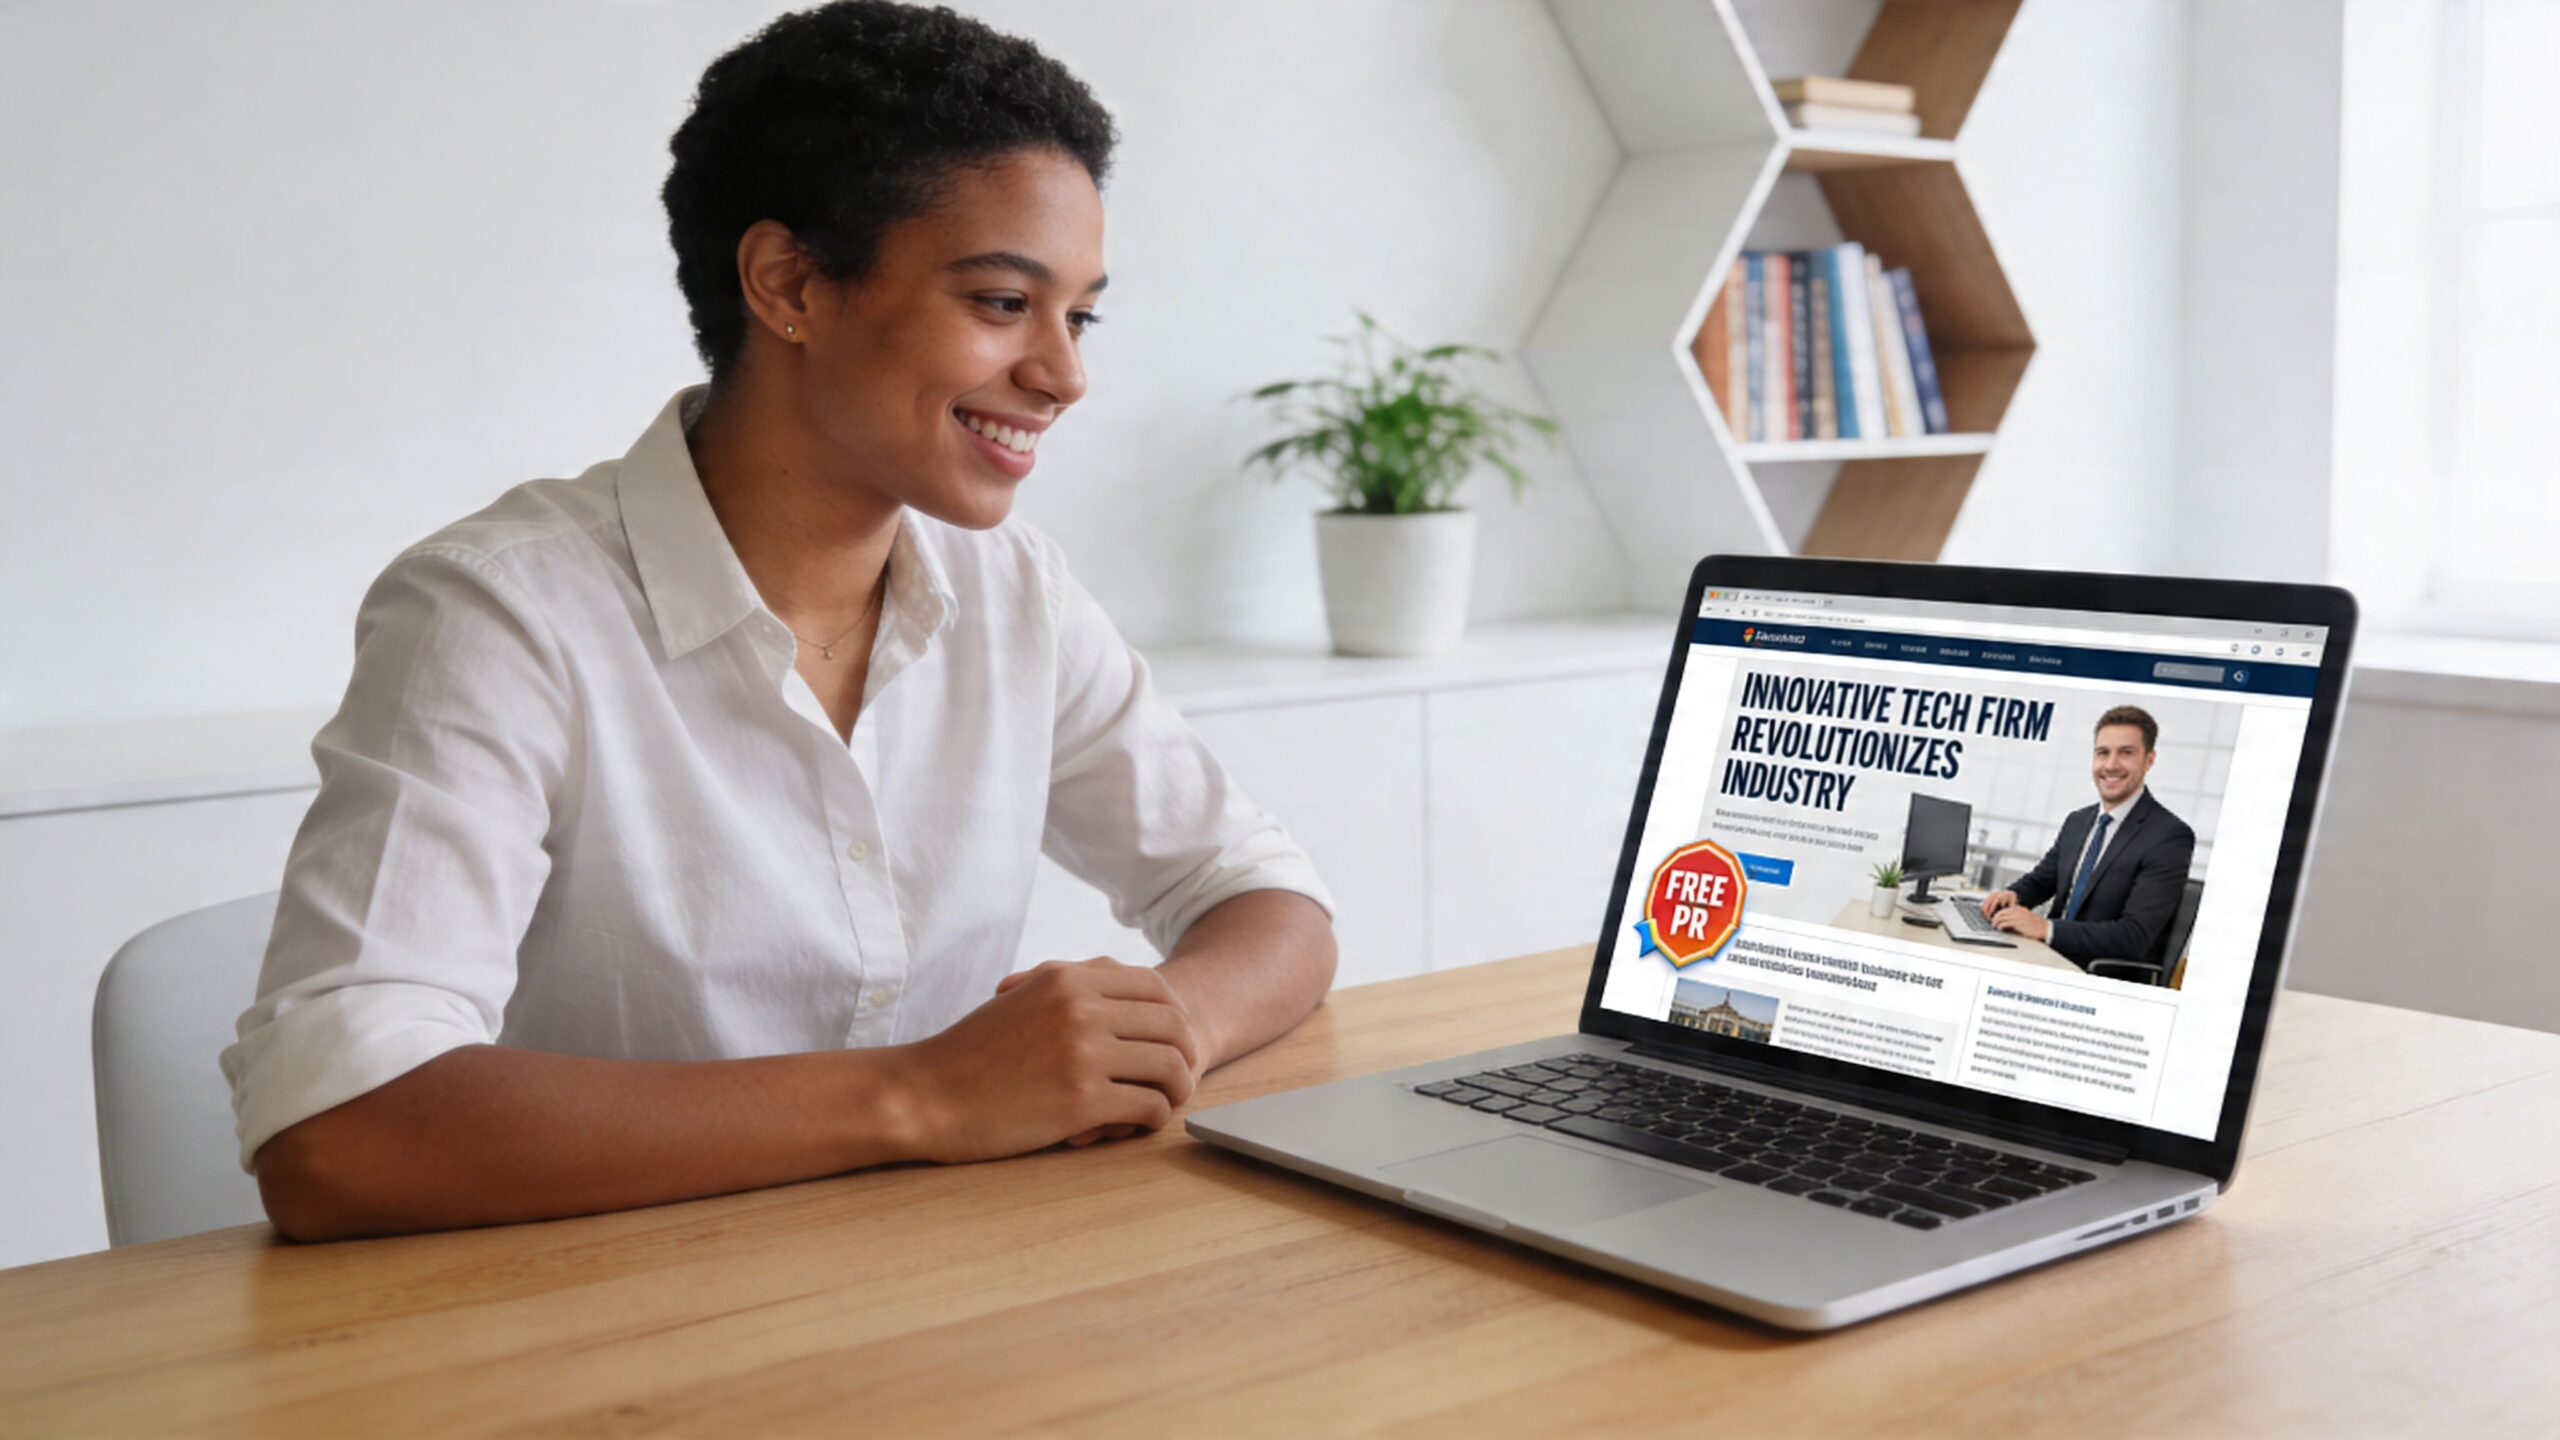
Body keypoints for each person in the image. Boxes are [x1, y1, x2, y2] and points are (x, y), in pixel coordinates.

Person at [221, 0, 1337, 1242]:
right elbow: (338, 1133)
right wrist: (921, 1095)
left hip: (923, 1282)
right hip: (597, 1313)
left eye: (1078, 315)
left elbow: (1261, 897)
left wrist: (1155, 1035)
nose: (1064, 375)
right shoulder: (500, 612)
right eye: (1000, 302)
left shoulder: (1013, 591)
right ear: (789, 283)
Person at [1980, 705, 2195, 968]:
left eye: (2126, 753)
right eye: (2103, 753)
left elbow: (2134, 935)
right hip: (2044, 956)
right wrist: (2013, 895)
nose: (2111, 765)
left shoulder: (2170, 836)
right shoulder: (2078, 821)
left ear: (2149, 760)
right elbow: (2043, 880)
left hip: (2093, 973)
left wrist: (2046, 929)